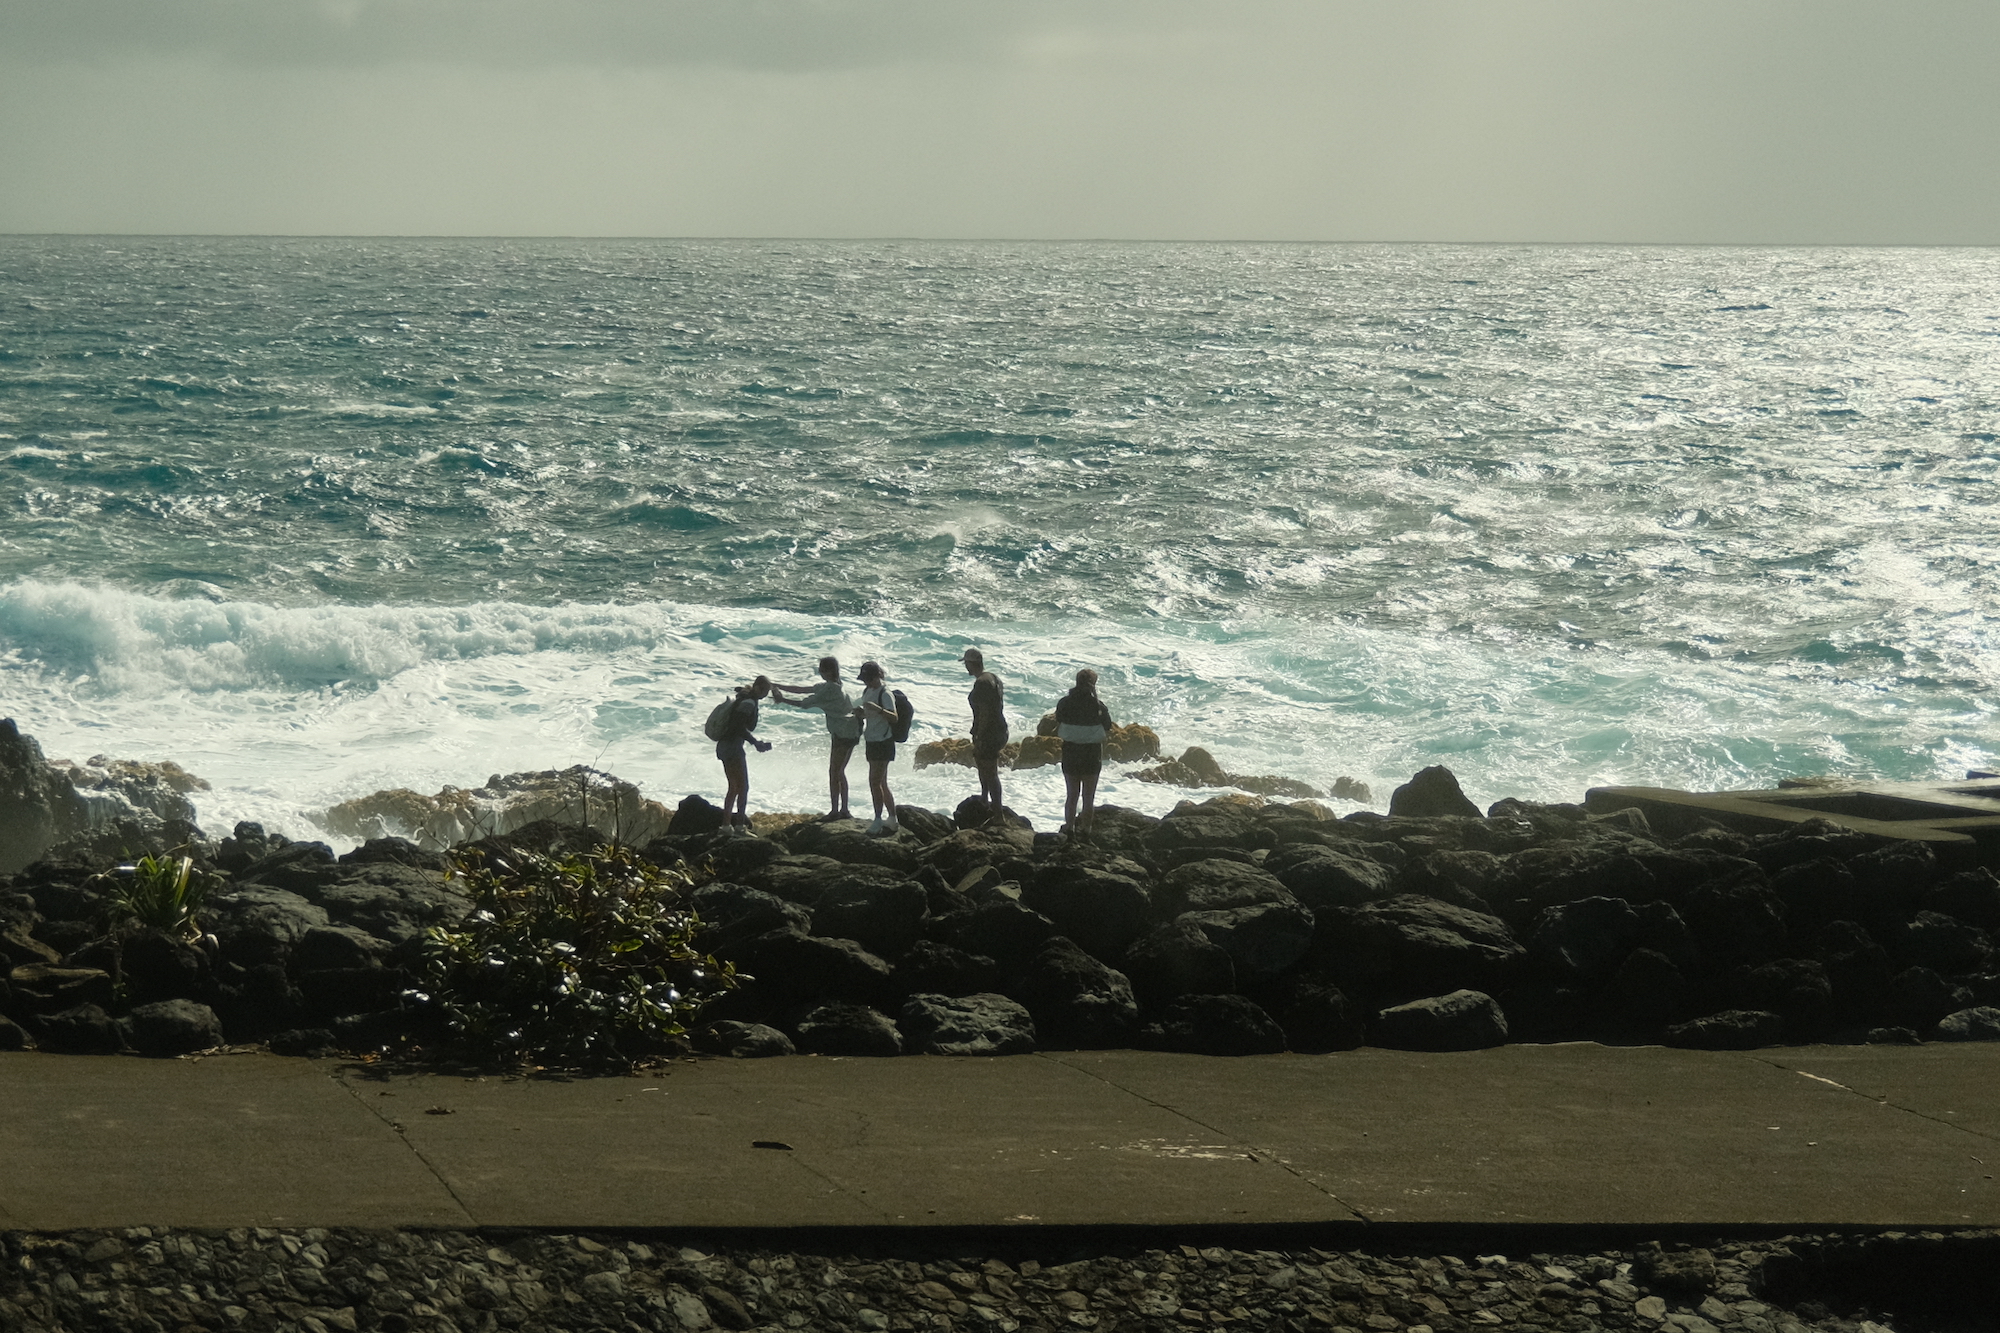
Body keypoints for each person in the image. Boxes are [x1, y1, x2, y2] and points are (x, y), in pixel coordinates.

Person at [769, 656, 861, 820]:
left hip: (843, 732)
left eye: (821, 669)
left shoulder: (829, 689)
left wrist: (782, 700)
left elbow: (804, 703)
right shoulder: (835, 685)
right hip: (850, 730)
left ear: (828, 671)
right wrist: (777, 685)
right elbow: (802, 689)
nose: (819, 671)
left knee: (835, 772)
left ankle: (837, 811)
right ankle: (843, 810)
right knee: (839, 771)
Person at [1054, 668, 1115, 839]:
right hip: (1091, 754)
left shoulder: (1065, 702)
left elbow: (1059, 718)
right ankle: (1086, 831)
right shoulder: (1098, 705)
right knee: (1088, 797)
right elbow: (1108, 726)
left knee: (1072, 794)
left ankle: (1069, 828)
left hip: (1071, 752)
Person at [716, 675, 773, 827]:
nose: (766, 695)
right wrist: (755, 743)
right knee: (742, 787)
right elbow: (738, 726)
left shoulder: (745, 697)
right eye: (765, 691)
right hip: (733, 747)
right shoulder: (748, 702)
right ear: (759, 688)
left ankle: (726, 825)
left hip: (724, 746)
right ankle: (739, 826)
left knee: (733, 787)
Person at [855, 660, 900, 834]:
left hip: (884, 741)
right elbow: (869, 714)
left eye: (868, 679)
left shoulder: (885, 693)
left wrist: (878, 709)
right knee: (881, 782)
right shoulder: (867, 691)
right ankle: (892, 818)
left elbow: (894, 717)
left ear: (876, 676)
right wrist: (861, 714)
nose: (866, 682)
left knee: (874, 781)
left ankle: (878, 819)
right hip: (871, 739)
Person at [961, 647, 1007, 813]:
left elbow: (985, 712)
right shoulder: (994, 678)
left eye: (966, 663)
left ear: (970, 664)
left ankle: (997, 813)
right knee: (983, 766)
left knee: (990, 771)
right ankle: (984, 798)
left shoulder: (981, 683)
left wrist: (980, 734)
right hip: (1000, 728)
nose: (965, 667)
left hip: (989, 732)